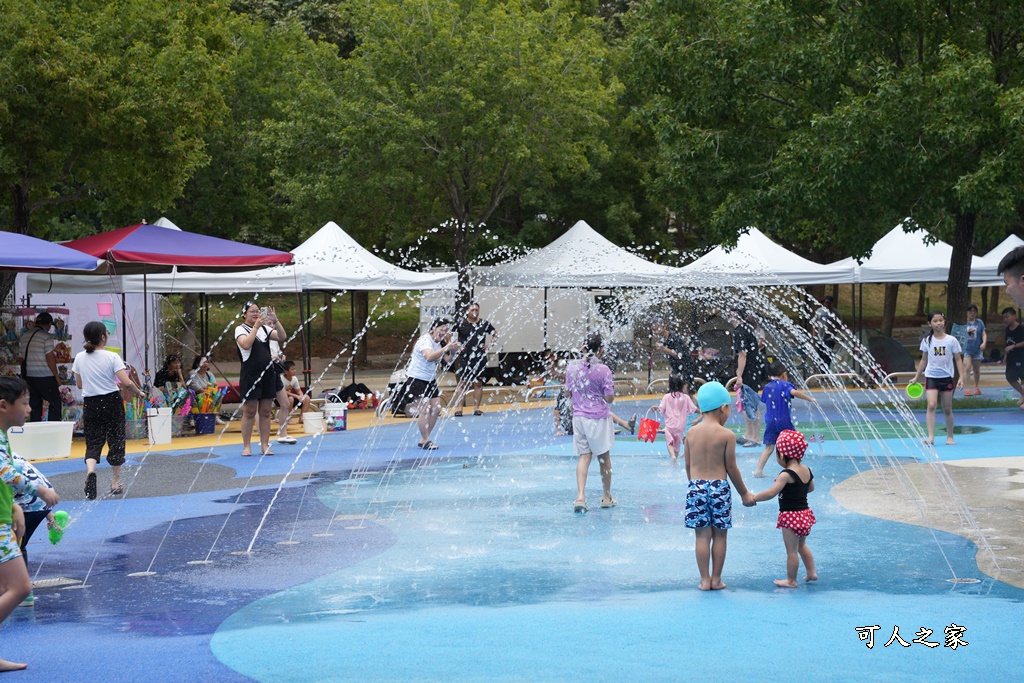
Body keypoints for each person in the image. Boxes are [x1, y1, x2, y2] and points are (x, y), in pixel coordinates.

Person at [0, 376, 60, 670]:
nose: (29, 409)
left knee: (4, 588)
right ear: (3, 405)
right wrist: (41, 490)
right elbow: (6, 472)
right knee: (21, 587)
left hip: (2, 518)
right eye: (24, 403)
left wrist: (12, 505)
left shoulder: (3, 436)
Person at [683, 381, 756, 591]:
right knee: (720, 535)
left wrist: (694, 484)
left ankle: (704, 580)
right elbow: (731, 468)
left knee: (702, 536)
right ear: (723, 407)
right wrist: (744, 493)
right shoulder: (727, 435)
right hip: (719, 488)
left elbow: (688, 464)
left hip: (696, 486)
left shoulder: (691, 433)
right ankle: (716, 579)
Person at [73, 321, 146, 499]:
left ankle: (91, 471)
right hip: (111, 401)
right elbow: (126, 382)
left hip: (91, 403)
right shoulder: (112, 357)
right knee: (116, 440)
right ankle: (115, 482)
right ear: (103, 337)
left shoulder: (79, 357)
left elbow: (80, 384)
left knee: (93, 441)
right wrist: (139, 393)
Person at [751, 429, 818, 588]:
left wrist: (754, 498)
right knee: (802, 545)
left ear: (782, 455)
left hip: (791, 517)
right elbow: (811, 488)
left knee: (792, 551)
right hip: (804, 514)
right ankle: (811, 572)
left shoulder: (786, 474)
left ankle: (791, 580)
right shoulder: (806, 469)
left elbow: (771, 493)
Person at [566, 332, 617, 512]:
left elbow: (568, 393)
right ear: (601, 350)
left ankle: (580, 497)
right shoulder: (604, 370)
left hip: (579, 417)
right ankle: (606, 496)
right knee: (604, 457)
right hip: (599, 418)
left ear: (582, 347)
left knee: (584, 456)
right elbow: (609, 398)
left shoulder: (571, 368)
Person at [6, 451, 65, 607]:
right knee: (18, 544)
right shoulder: (7, 448)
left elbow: (13, 475)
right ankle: (23, 594)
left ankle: (17, 591)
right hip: (40, 500)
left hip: (24, 501)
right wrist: (48, 514)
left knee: (12, 545)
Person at [235, 302, 287, 457]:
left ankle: (265, 445)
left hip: (267, 374)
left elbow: (282, 337)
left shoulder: (265, 329)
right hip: (250, 374)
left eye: (257, 311)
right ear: (244, 314)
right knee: (249, 411)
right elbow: (245, 344)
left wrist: (276, 321)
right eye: (252, 311)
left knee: (265, 411)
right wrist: (256, 327)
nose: (256, 314)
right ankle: (246, 446)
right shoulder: (240, 329)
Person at [753, 361, 817, 478]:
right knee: (793, 443)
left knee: (769, 448)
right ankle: (796, 467)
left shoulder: (767, 387)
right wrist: (809, 398)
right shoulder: (785, 385)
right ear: (784, 374)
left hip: (770, 422)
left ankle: (758, 470)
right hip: (784, 421)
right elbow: (794, 392)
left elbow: (764, 401)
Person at [910, 311, 965, 446]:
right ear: (930, 324)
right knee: (931, 405)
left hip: (947, 378)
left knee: (947, 408)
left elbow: (958, 359)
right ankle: (930, 437)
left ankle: (950, 436)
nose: (938, 323)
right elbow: (923, 359)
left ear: (944, 321)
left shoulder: (951, 340)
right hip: (932, 377)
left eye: (940, 320)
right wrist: (916, 377)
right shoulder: (927, 341)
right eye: (935, 321)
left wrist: (962, 377)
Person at [406, 317, 461, 449]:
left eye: (446, 331)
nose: (443, 333)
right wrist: (447, 347)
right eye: (441, 330)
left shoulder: (439, 343)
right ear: (433, 329)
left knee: (436, 409)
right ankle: (426, 439)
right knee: (424, 410)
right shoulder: (425, 341)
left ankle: (425, 438)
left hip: (430, 379)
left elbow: (446, 361)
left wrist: (453, 350)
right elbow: (429, 357)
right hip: (416, 379)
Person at [727, 307, 767, 447]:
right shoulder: (746, 329)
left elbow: (743, 354)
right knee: (746, 404)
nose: (727, 316)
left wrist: (739, 375)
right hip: (752, 370)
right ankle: (749, 434)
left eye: (729, 313)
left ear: (735, 315)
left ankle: (755, 437)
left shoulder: (740, 331)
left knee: (751, 404)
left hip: (748, 372)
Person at [453, 302, 497, 417]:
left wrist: (489, 345)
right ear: (467, 311)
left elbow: (495, 333)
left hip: (479, 357)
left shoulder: (483, 323)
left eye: (477, 310)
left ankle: (476, 408)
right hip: (465, 357)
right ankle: (459, 409)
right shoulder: (461, 323)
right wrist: (456, 346)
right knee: (462, 383)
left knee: (478, 383)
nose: (475, 312)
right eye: (472, 310)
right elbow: (449, 334)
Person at [18, 311, 62, 423]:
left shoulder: (24, 336)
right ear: (48, 324)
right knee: (55, 403)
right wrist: (56, 376)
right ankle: (54, 430)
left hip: (29, 377)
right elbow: (50, 358)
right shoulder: (46, 336)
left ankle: (35, 430)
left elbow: (21, 359)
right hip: (45, 376)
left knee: (35, 405)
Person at [651, 373, 697, 461]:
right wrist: (702, 411)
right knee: (677, 443)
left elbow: (662, 409)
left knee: (669, 442)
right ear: (682, 385)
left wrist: (656, 408)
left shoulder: (667, 397)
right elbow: (693, 409)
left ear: (670, 385)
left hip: (670, 425)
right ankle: (675, 457)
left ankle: (673, 456)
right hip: (681, 426)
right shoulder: (685, 397)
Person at [961, 304, 987, 396]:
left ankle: (976, 386)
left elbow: (983, 333)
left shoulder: (979, 322)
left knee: (976, 369)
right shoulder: (964, 322)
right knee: (967, 368)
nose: (972, 313)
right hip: (967, 349)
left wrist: (984, 343)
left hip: (977, 349)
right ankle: (967, 389)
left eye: (974, 311)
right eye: (970, 311)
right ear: (967, 313)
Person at [1001, 307, 1024, 406]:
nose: (1005, 319)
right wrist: (1005, 357)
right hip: (1011, 358)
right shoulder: (1007, 330)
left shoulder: (1021, 328)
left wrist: (1014, 346)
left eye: (1007, 317)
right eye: (1004, 318)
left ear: (1014, 316)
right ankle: (1023, 394)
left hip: (1021, 357)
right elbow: (1007, 344)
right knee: (1010, 377)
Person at [812, 295, 838, 366]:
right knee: (820, 356)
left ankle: (829, 368)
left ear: (832, 303)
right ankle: (822, 372)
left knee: (826, 354)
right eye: (826, 303)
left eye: (829, 303)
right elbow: (814, 322)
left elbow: (840, 325)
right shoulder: (819, 311)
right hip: (820, 337)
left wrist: (832, 331)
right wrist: (814, 332)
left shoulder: (835, 313)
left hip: (830, 338)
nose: (827, 305)